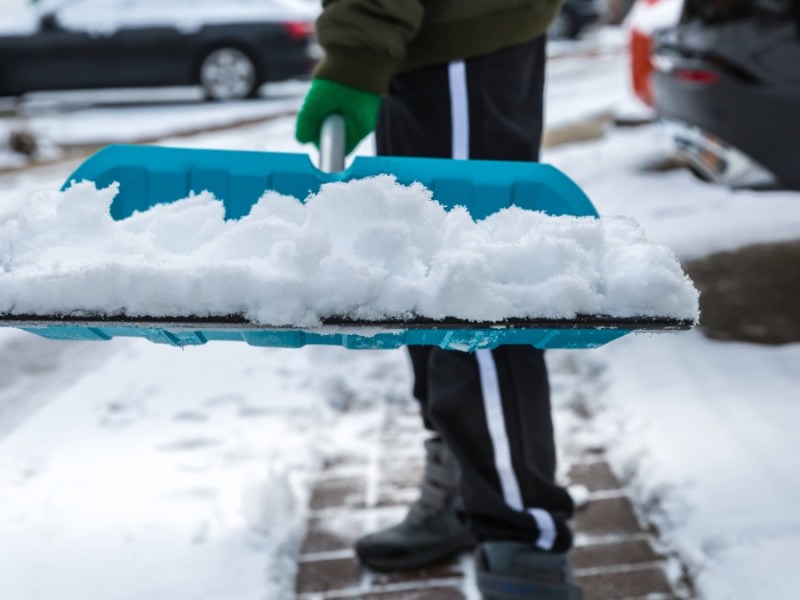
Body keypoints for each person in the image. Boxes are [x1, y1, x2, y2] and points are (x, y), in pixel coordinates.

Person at [295, 2, 581, 598]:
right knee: (423, 275)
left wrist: (356, 51)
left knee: (470, 294)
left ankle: (523, 541)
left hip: (456, 43)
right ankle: (462, 483)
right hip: (431, 40)